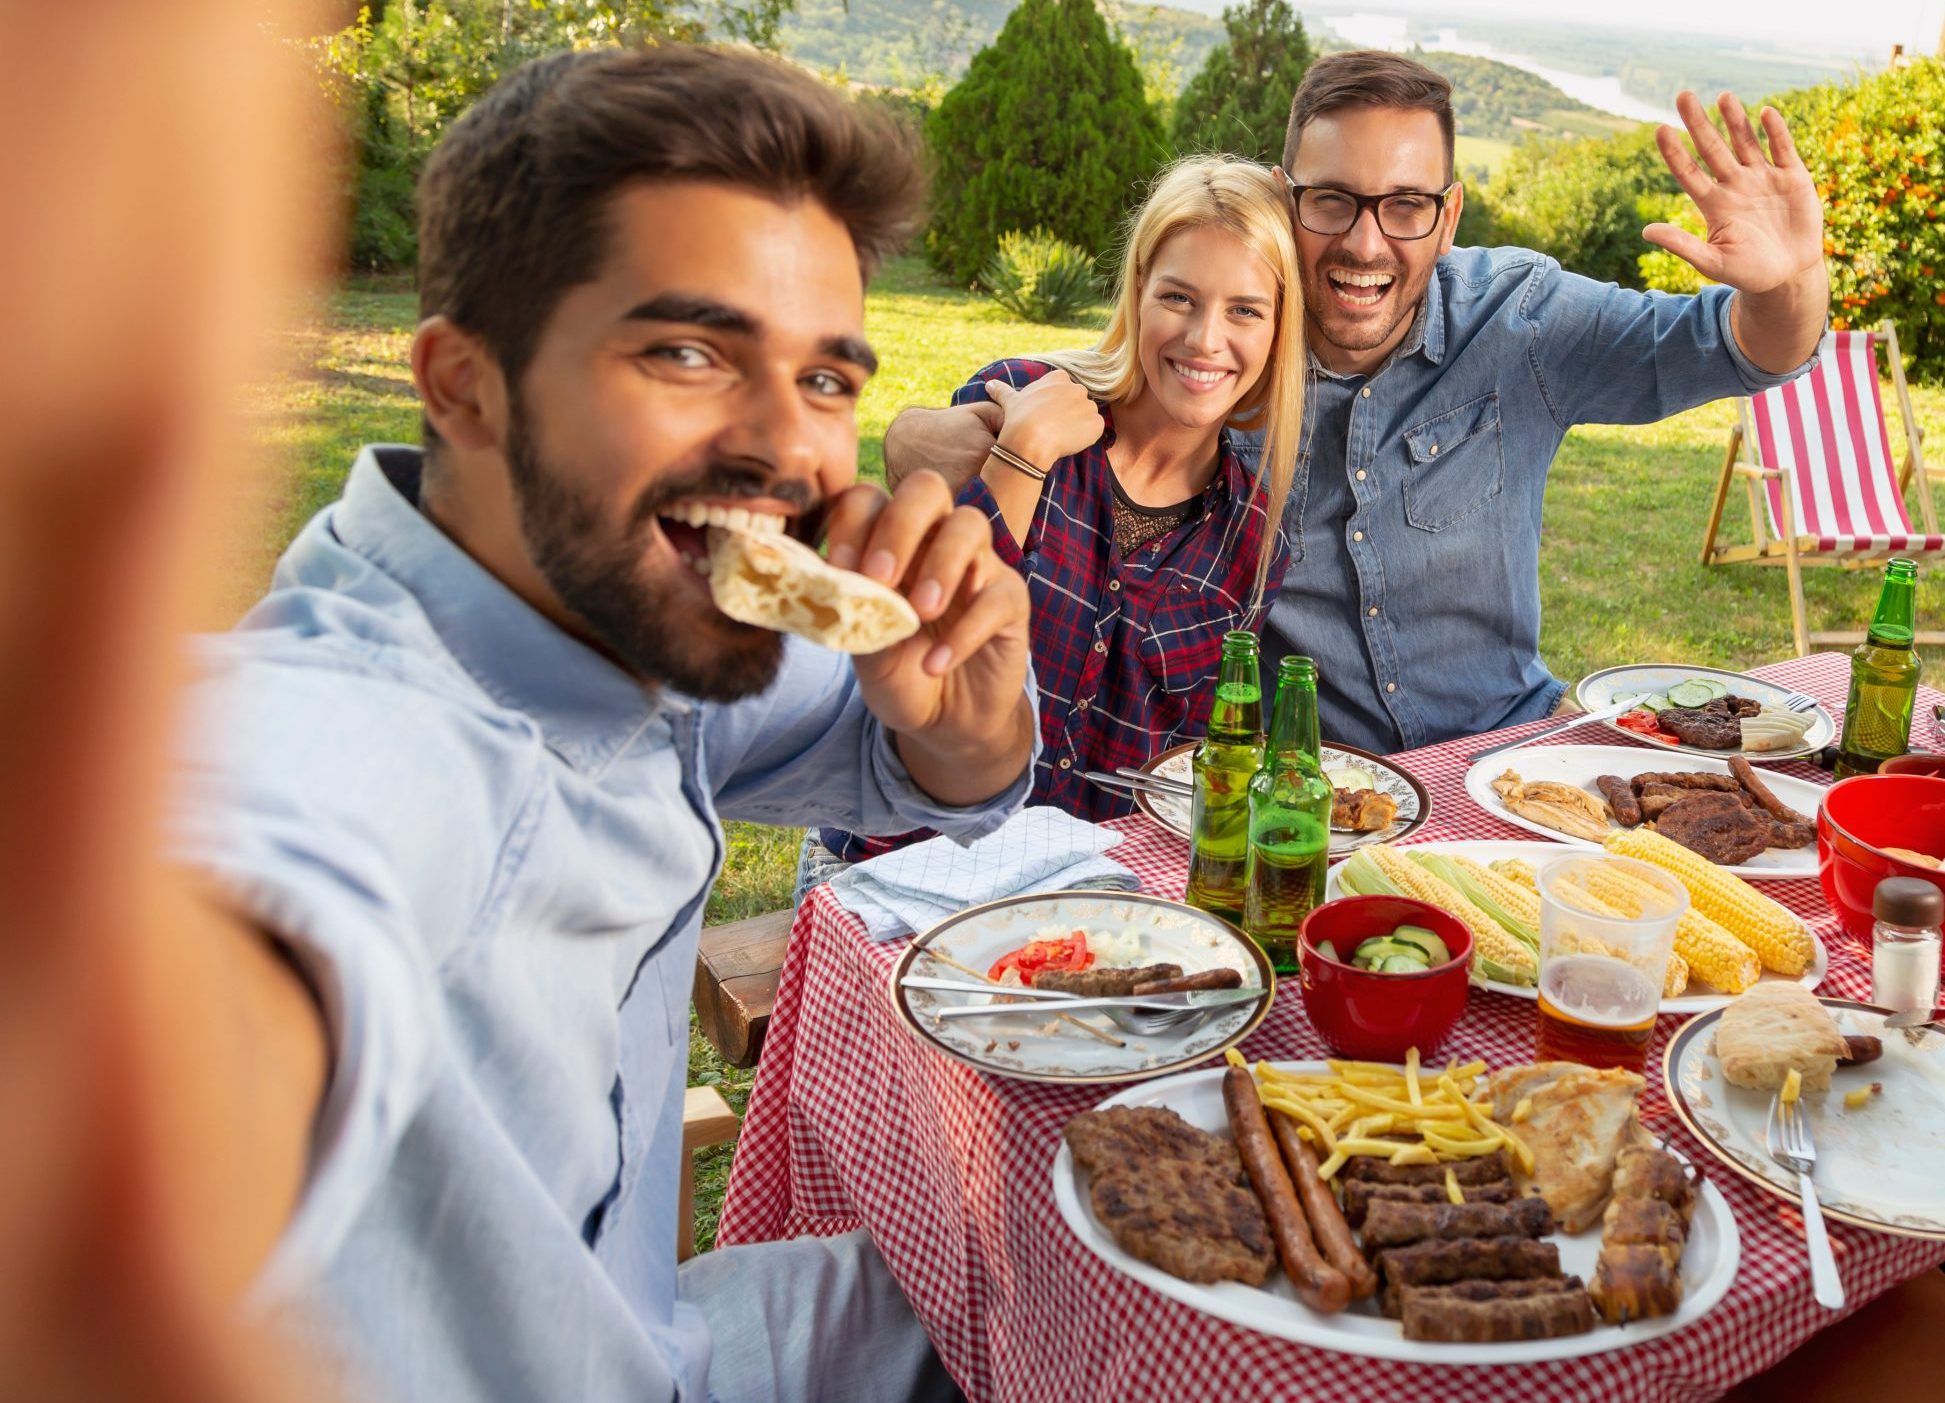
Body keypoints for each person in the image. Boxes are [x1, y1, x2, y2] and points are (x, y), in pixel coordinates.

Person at [162, 45, 1036, 1403]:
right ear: (464, 384)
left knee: (1092, 1263)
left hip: (647, 1327)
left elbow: (908, 753)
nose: (795, 453)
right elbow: (253, 854)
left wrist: (966, 716)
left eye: (826, 380)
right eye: (689, 350)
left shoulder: (627, 615)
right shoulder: (374, 737)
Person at [885, 50, 1828, 754]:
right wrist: (926, 434)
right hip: (1317, 786)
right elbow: (1135, 358)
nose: (1366, 244)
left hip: (1504, 752)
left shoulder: (1523, 319)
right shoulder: (1238, 357)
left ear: (1447, 215)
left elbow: (1742, 349)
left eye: (1405, 205)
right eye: (1331, 200)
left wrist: (1787, 281)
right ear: (1286, 200)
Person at [803, 157, 1305, 895]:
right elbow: (930, 630)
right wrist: (1024, 451)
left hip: (1067, 897)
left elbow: (1191, 769)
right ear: (1137, 293)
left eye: (1244, 310)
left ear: (1276, 329)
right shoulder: (1022, 403)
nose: (1204, 338)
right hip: (891, 869)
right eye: (1178, 296)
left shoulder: (1251, 538)